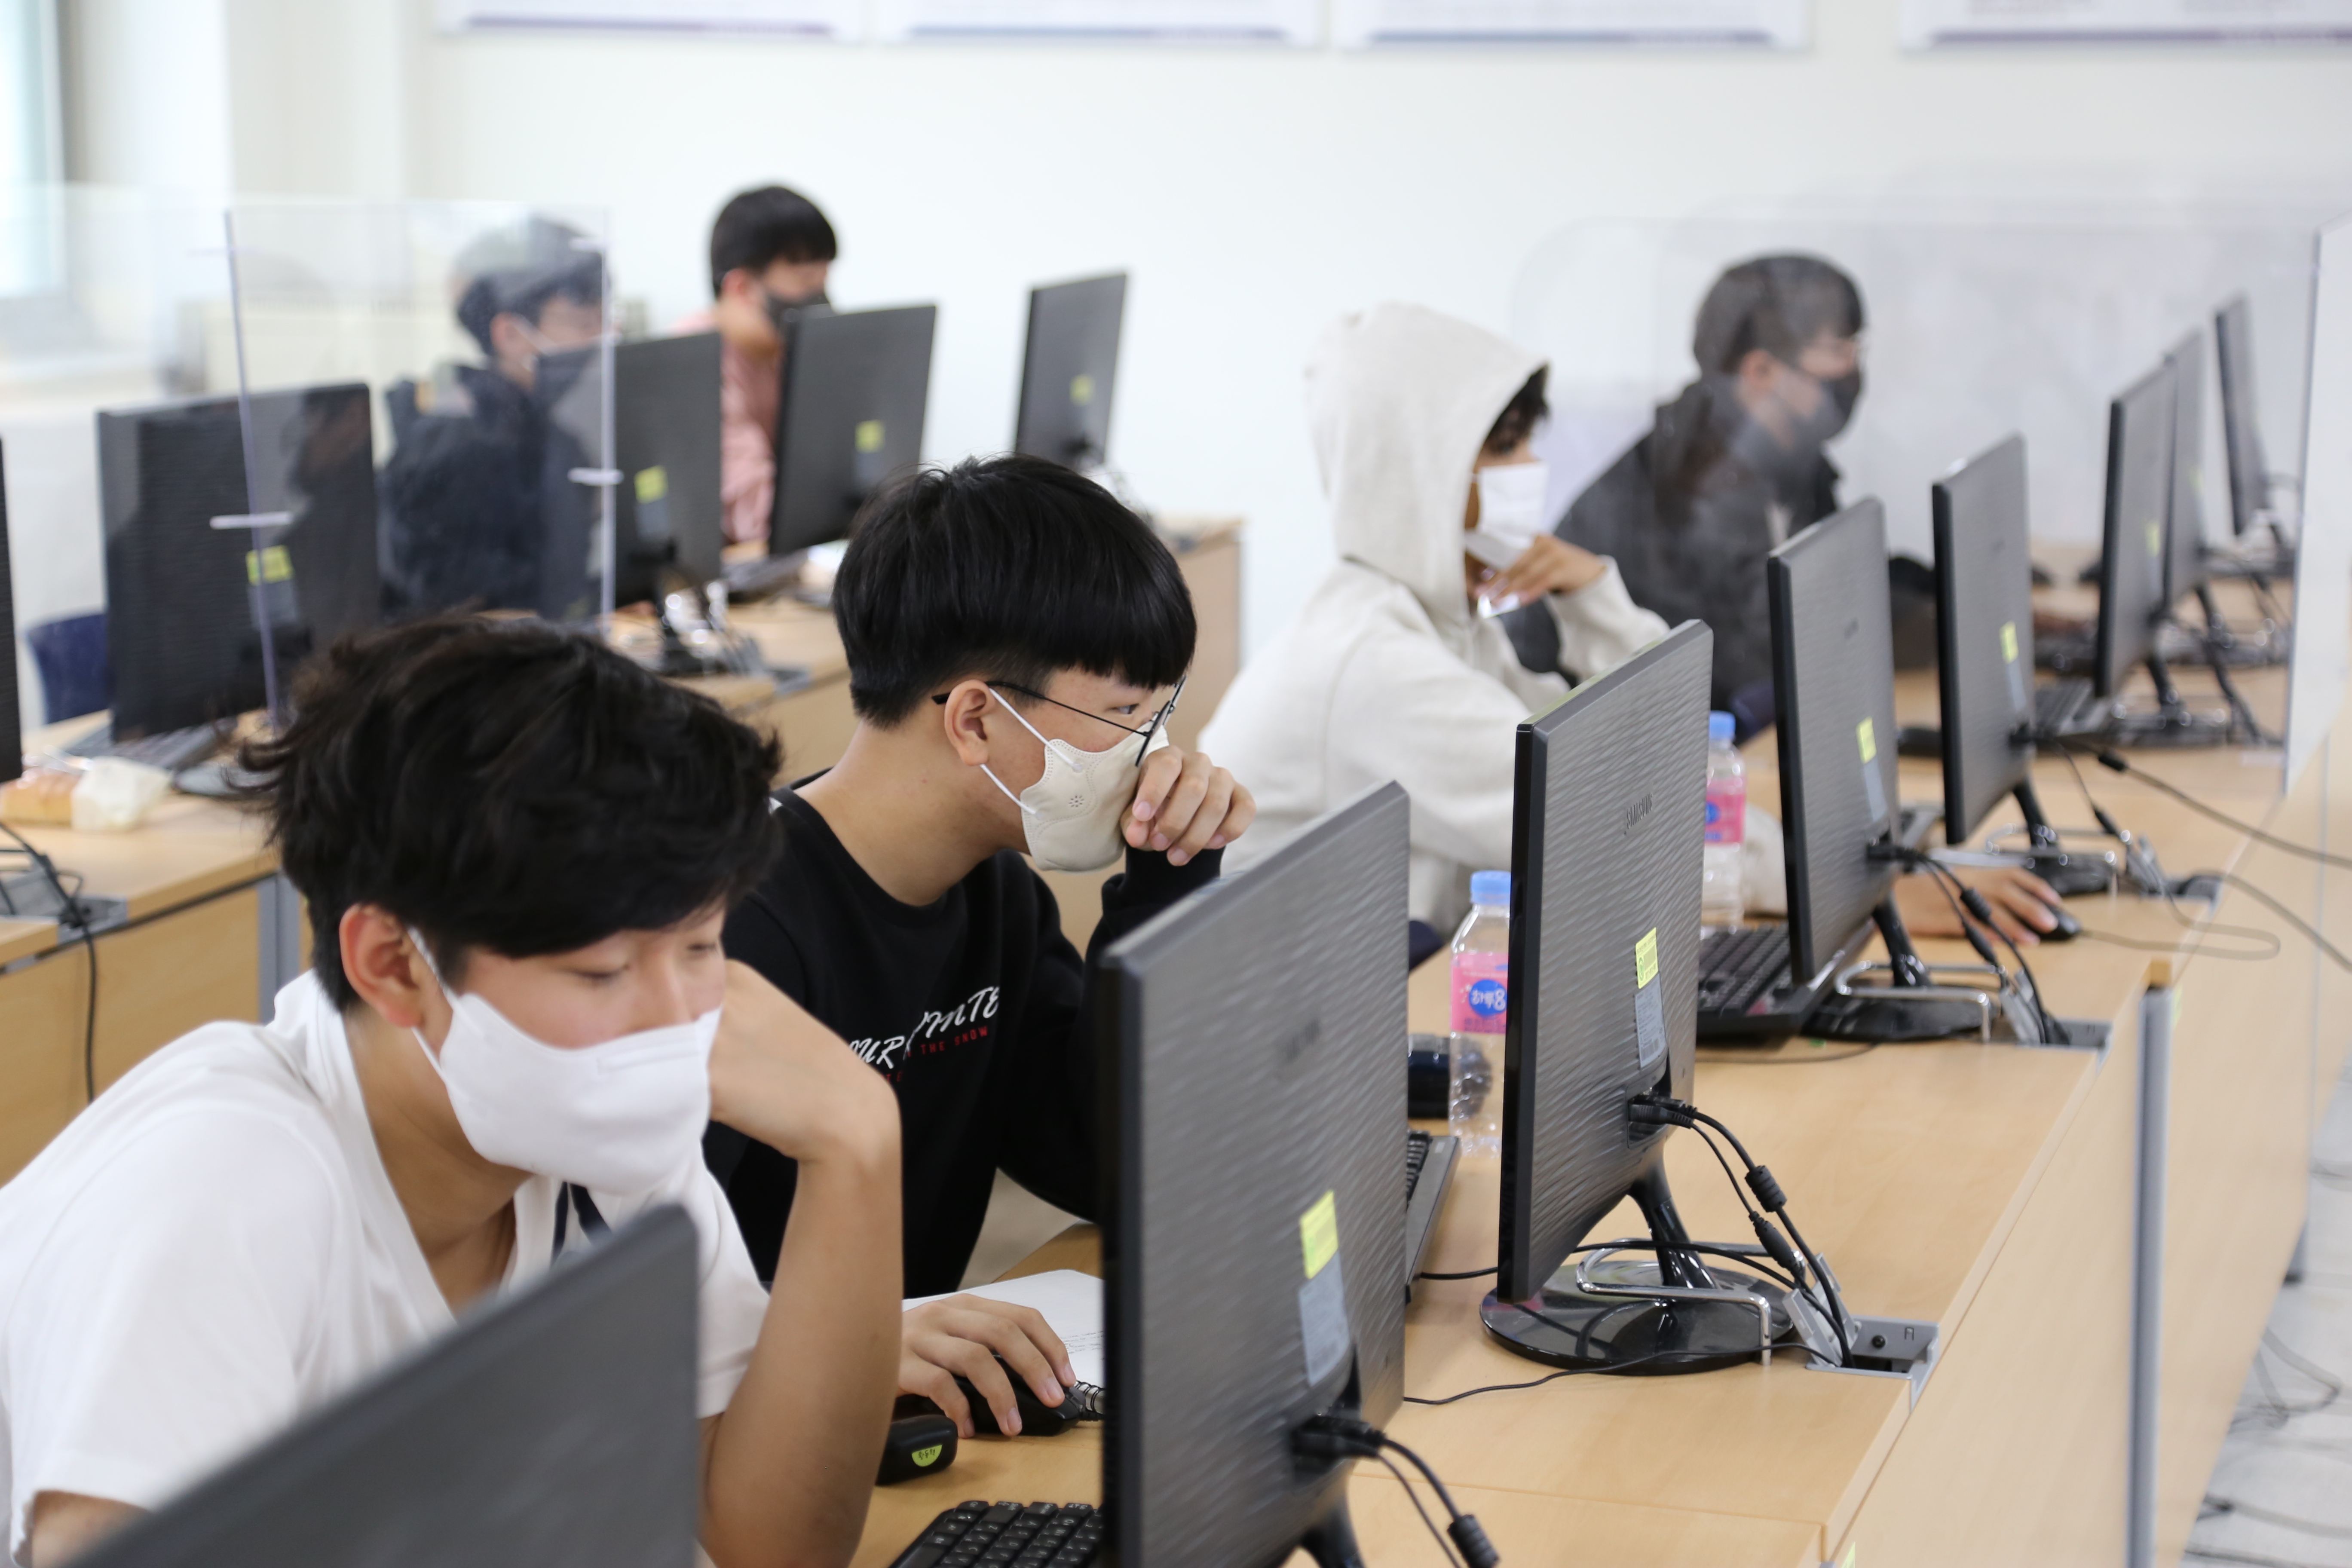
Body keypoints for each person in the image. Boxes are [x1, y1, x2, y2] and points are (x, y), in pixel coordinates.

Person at [0, 619, 902, 1568]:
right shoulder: (220, 1187)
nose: (676, 1020)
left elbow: (769, 1545)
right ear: (394, 964)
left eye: (701, 947)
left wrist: (857, 1142)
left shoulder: (602, 1127)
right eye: (601, 973)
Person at [709, 453, 1253, 1440]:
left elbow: (1104, 1167)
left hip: (913, 1413)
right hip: (743, 1436)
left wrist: (1168, 878)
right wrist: (837, 1342)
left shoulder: (996, 899)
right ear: (974, 718)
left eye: (1158, 715)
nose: (1155, 756)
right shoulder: (731, 931)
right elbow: (625, 1287)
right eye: (1123, 716)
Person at [1200, 302, 1670, 936]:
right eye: (1504, 447)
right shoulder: (1375, 665)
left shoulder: (1442, 624)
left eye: (1527, 442)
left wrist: (1592, 596)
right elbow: (1623, 831)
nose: (1530, 469)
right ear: (1420, 472)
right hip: (1291, 996)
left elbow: (1630, 760)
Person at [1513, 253, 1864, 723]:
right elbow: (1749, 672)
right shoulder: (1694, 488)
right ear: (1761, 371)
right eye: (1839, 349)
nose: (1853, 367)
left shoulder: (1789, 459)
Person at [379, 220, 606, 619]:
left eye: (604, 321)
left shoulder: (546, 433)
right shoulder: (458, 446)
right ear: (510, 334)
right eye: (583, 324)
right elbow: (460, 604)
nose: (601, 339)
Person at [674, 185, 839, 546]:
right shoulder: (690, 367)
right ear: (742, 288)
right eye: (805, 282)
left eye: (824, 282)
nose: (821, 302)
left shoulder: (787, 352)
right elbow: (759, 516)